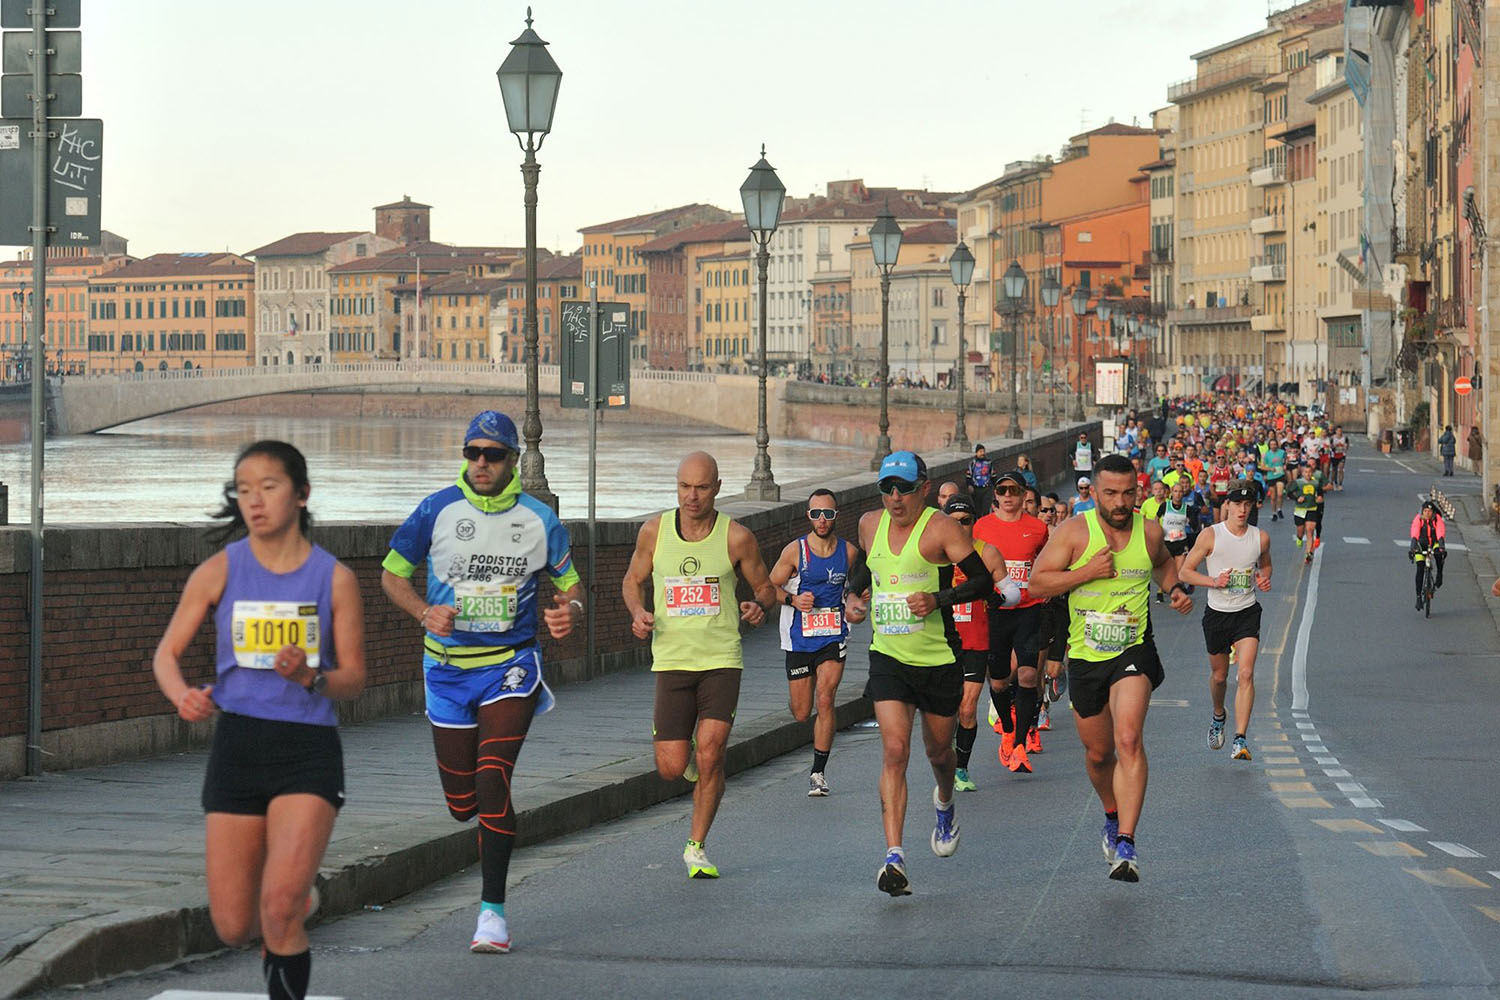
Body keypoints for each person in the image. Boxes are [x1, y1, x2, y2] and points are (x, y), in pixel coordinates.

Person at [154, 441, 367, 999]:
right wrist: (182, 697)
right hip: (237, 749)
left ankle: (289, 912)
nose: (254, 500)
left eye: (268, 486)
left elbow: (355, 678)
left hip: (306, 751)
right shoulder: (219, 571)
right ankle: (299, 903)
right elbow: (166, 655)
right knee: (233, 925)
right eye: (243, 489)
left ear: (301, 495)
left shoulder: (334, 578)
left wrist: (311, 677)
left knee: (276, 911)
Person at [381, 411, 581, 954]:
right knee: (461, 803)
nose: (482, 463)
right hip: (445, 671)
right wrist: (425, 612)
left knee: (493, 778)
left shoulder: (540, 519)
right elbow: (391, 574)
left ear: (514, 459)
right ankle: (482, 848)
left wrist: (569, 612)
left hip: (511, 666)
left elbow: (571, 587)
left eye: (493, 454)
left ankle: (492, 913)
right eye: (473, 452)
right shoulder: (435, 509)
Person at [1029, 453, 1193, 882]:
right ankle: (1110, 812)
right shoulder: (1073, 533)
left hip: (1133, 649)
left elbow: (1161, 563)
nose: (1120, 502)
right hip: (1084, 656)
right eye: (1111, 493)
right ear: (1095, 493)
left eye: (1128, 493)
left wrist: (1173, 588)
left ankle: (1126, 843)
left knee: (1128, 739)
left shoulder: (1150, 531)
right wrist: (1085, 572)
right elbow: (1037, 582)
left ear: (1138, 491)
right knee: (1100, 754)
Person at [845, 451, 998, 896]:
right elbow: (864, 573)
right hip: (887, 656)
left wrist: (939, 600)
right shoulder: (870, 525)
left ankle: (945, 801)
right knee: (895, 750)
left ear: (924, 489)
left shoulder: (941, 529)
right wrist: (854, 599)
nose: (895, 498)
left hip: (937, 659)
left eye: (904, 489)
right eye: (887, 488)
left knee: (937, 754)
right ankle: (894, 856)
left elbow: (982, 582)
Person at [622, 451, 778, 879]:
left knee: (712, 754)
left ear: (717, 488)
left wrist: (758, 605)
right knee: (672, 768)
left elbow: (767, 587)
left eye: (701, 487)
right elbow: (632, 580)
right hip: (671, 660)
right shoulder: (654, 532)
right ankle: (689, 757)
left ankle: (696, 845)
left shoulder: (736, 537)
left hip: (721, 660)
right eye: (684, 487)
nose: (692, 496)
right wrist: (637, 612)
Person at [770, 489, 865, 796]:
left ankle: (818, 773)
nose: (822, 520)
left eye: (828, 514)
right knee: (802, 711)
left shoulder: (849, 552)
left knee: (826, 699)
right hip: (798, 638)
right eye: (816, 514)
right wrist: (792, 599)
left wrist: (858, 602)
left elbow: (863, 587)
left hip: (833, 634)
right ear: (807, 516)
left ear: (836, 515)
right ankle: (800, 699)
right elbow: (766, 587)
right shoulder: (794, 552)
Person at [1177, 482, 1272, 761]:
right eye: (1237, 504)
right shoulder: (1210, 536)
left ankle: (1240, 739)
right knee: (1220, 677)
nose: (1242, 510)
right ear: (1227, 505)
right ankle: (1219, 714)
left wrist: (1264, 576)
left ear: (1253, 507)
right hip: (1217, 614)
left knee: (1245, 674)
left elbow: (1266, 563)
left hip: (1246, 612)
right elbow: (1184, 572)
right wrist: (1213, 582)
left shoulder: (1260, 538)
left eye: (1248, 504)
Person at [974, 469, 1051, 773]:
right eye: (1002, 490)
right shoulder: (981, 527)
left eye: (1014, 490)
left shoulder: (1037, 529)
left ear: (1023, 494)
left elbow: (1045, 561)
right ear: (995, 494)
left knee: (1029, 677)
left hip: (1028, 610)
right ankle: (1008, 729)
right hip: (993, 612)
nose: (1008, 496)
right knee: (998, 680)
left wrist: (1044, 587)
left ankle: (1019, 745)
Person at [943, 494, 1010, 793]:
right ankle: (947, 753)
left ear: (974, 522)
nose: (960, 527)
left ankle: (961, 769)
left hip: (976, 642)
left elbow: (1012, 594)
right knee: (947, 712)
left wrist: (998, 597)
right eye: (953, 522)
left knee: (967, 709)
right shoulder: (933, 556)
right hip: (940, 643)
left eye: (966, 521)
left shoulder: (988, 553)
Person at [1409, 500, 1447, 608]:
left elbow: (1440, 532)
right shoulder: (1418, 519)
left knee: (1439, 555)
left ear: (1433, 512)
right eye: (1425, 511)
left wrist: (1442, 547)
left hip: (1434, 543)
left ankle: (1439, 574)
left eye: (1429, 511)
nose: (1427, 513)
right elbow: (1415, 532)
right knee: (1420, 568)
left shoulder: (1437, 519)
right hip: (1421, 544)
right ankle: (1418, 598)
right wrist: (1412, 548)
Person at [967, 444, 994, 513]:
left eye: (983, 451)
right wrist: (969, 485)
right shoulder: (972, 463)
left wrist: (995, 486)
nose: (982, 453)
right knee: (977, 509)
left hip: (987, 488)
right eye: (980, 451)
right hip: (976, 489)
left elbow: (993, 475)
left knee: (986, 508)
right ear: (976, 452)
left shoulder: (989, 463)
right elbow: (968, 476)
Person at [1329, 425, 1348, 490]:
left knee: (1341, 469)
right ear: (1336, 431)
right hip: (1334, 455)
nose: (1339, 432)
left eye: (1341, 431)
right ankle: (1332, 482)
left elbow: (1347, 447)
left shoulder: (1345, 438)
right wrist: (1334, 446)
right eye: (1338, 431)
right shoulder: (1332, 438)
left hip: (1342, 455)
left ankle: (1340, 484)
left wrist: (1344, 447)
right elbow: (1330, 447)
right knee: (1334, 469)